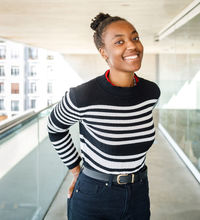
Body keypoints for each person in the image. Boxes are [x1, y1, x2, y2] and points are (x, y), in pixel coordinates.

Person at [47, 12, 161, 220]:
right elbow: (55, 128)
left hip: (138, 193)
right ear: (103, 52)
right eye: (119, 42)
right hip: (94, 195)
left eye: (135, 38)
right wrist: (75, 170)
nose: (132, 46)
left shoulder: (151, 93)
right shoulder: (82, 95)